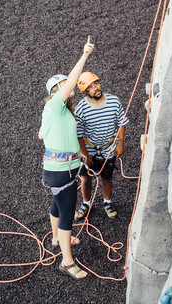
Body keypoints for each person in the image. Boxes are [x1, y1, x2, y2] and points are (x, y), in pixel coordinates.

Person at [38, 37, 94, 280]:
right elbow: (72, 81)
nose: (68, 88)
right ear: (56, 91)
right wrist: (84, 55)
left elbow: (41, 135)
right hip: (63, 171)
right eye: (63, 86)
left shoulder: (55, 112)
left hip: (58, 168)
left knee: (57, 204)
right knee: (67, 215)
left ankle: (55, 238)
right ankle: (67, 262)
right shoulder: (54, 106)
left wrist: (74, 150)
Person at [74, 72, 129, 220]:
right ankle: (86, 203)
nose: (96, 88)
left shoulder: (114, 101)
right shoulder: (81, 109)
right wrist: (85, 154)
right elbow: (78, 135)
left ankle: (107, 202)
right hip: (89, 148)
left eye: (96, 84)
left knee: (107, 176)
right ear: (85, 92)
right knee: (86, 178)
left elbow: (121, 123)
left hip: (108, 148)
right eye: (91, 87)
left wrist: (120, 144)